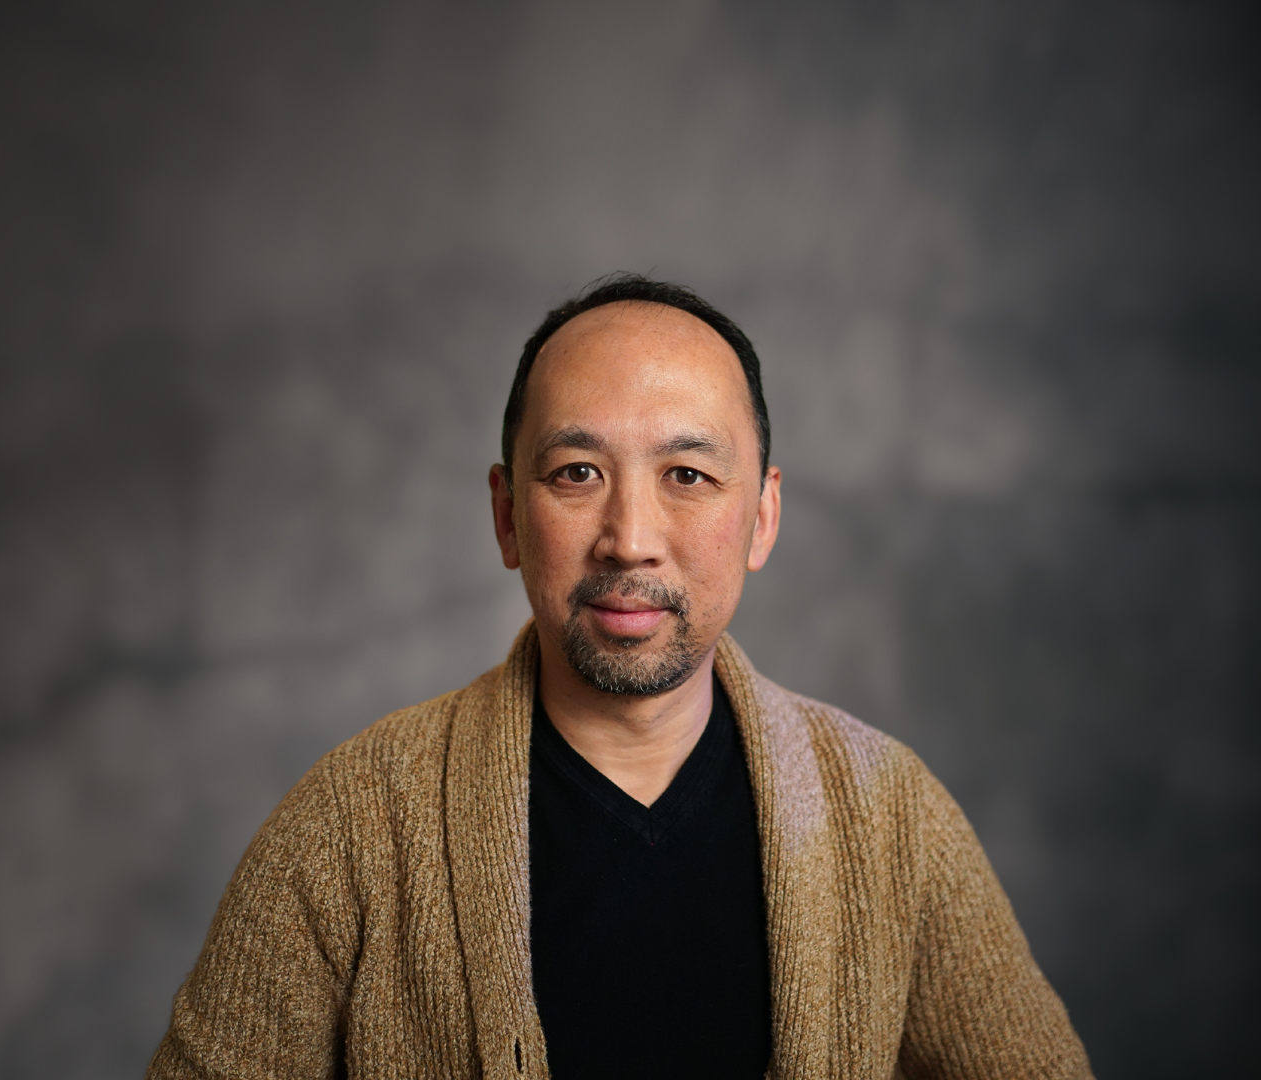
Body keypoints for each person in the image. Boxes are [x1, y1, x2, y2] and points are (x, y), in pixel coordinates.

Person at [147, 274, 1091, 1079]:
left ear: (763, 518)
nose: (630, 539)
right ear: (507, 515)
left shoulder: (889, 818)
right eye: (575, 473)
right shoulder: (351, 826)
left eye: (687, 475)